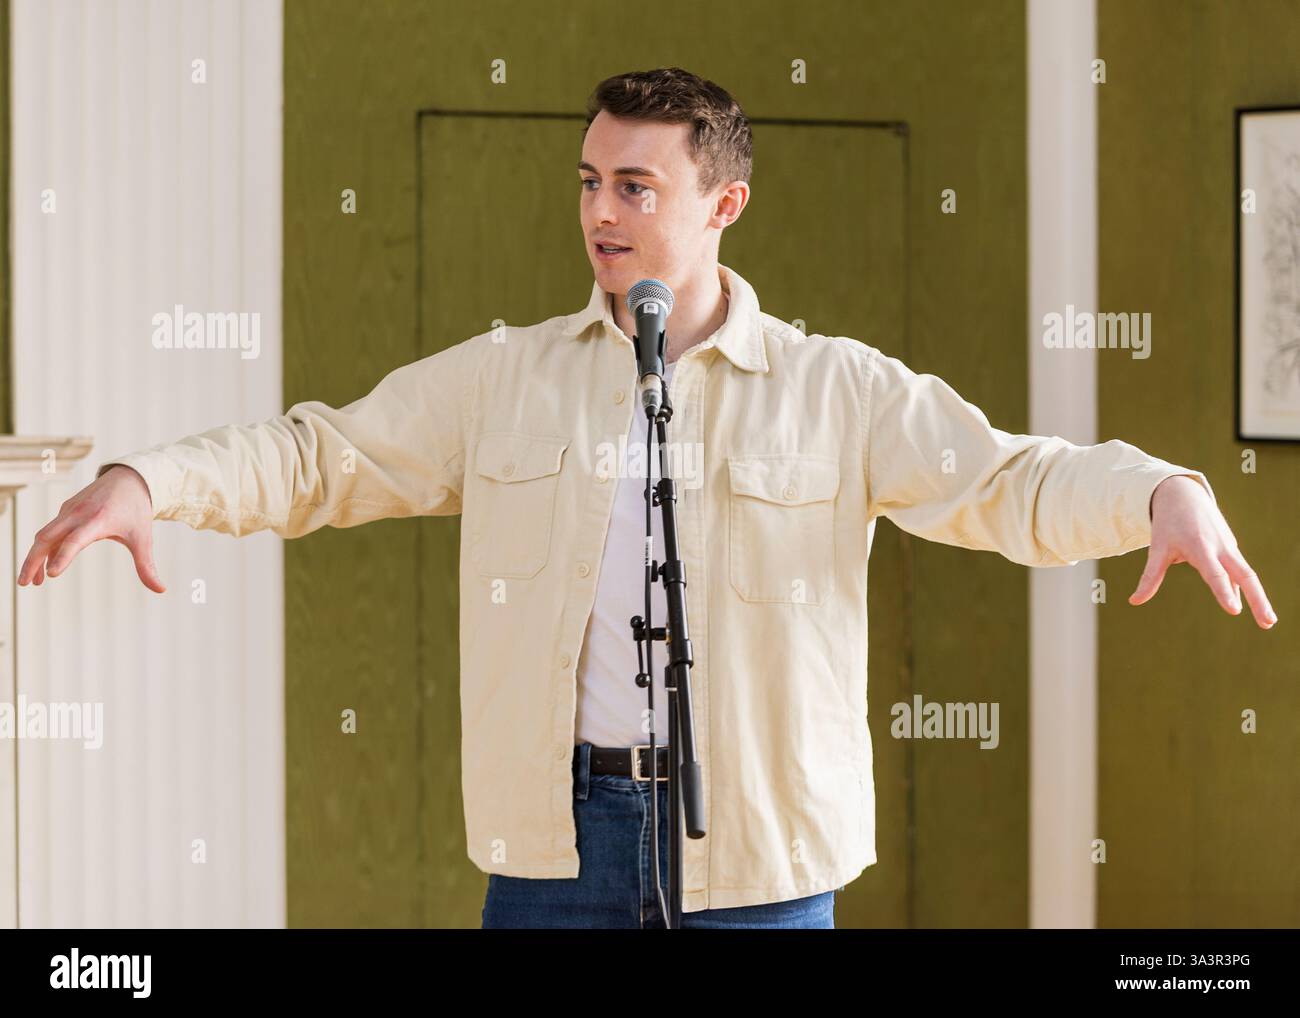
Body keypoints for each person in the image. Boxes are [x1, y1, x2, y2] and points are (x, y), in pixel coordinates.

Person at [17, 68, 1276, 930]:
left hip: (762, 857)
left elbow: (1009, 478)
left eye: (635, 187)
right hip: (559, 845)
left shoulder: (835, 390)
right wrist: (150, 480)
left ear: (722, 204)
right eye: (588, 181)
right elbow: (317, 454)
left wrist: (1156, 488)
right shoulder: (507, 376)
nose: (600, 212)